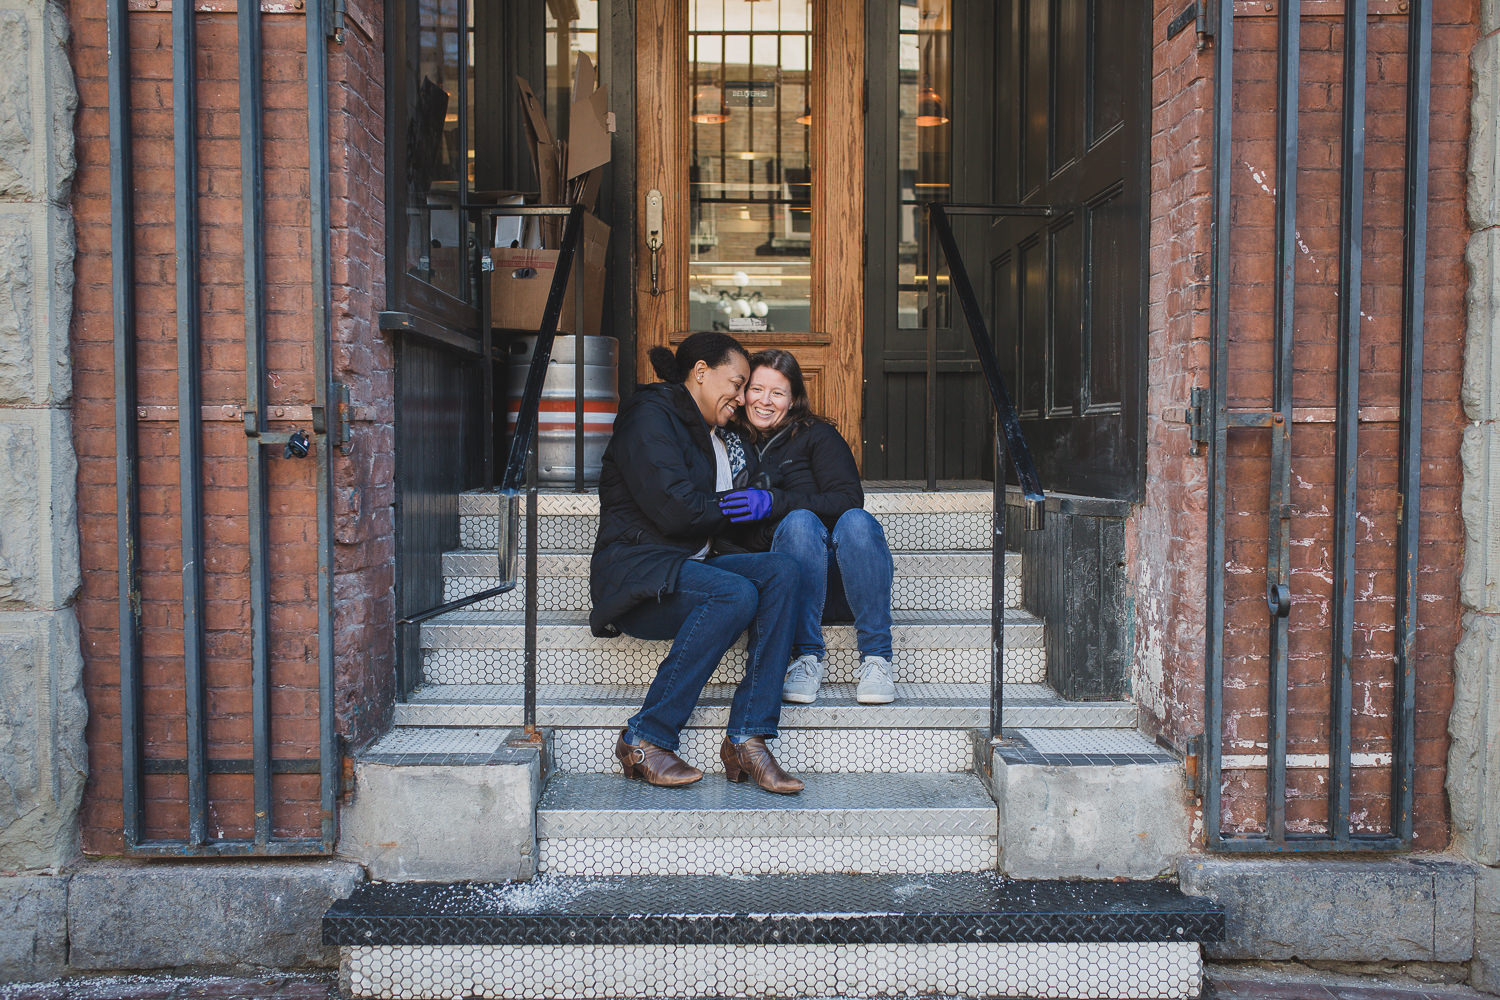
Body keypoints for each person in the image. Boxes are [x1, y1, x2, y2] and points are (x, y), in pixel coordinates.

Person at [589, 332, 805, 794]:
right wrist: (734, 504)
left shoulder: (704, 432)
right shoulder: (649, 417)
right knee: (735, 591)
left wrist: (764, 503)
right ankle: (645, 736)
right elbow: (676, 509)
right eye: (739, 382)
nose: (745, 397)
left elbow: (707, 516)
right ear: (701, 372)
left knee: (783, 570)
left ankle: (747, 736)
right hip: (639, 579)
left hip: (683, 573)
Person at [729, 349, 897, 706]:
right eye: (757, 389)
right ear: (743, 392)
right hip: (781, 586)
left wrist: (777, 502)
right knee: (798, 523)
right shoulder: (729, 441)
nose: (765, 401)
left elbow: (848, 499)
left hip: (839, 582)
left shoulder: (817, 436)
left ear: (793, 400)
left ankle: (876, 659)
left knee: (855, 521)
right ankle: (806, 658)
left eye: (777, 393)